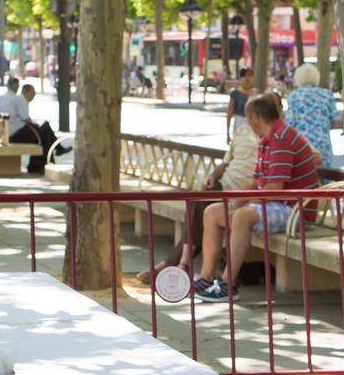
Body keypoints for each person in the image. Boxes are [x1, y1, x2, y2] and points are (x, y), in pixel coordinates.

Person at [194, 93, 320, 302]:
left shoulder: (282, 138)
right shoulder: (266, 140)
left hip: (295, 211)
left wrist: (242, 205)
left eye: (246, 117)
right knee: (212, 212)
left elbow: (274, 188)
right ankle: (206, 277)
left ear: (255, 118)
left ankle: (228, 284)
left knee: (242, 216)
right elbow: (256, 182)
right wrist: (238, 202)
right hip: (275, 204)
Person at [137, 84, 260, 284]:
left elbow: (312, 156)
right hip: (225, 185)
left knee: (200, 205)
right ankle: (180, 266)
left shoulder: (273, 137)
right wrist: (212, 176)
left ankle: (177, 266)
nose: (249, 119)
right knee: (197, 200)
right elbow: (226, 162)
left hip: (243, 193)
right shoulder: (243, 131)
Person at [284, 62, 341, 168]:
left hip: (301, 145)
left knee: (305, 178)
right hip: (323, 144)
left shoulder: (294, 96)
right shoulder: (327, 94)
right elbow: (336, 121)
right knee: (325, 178)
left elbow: (289, 123)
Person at [7, 83, 69, 172]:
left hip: (17, 132)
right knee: (46, 128)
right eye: (33, 93)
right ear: (26, 91)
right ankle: (58, 149)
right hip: (16, 135)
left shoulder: (19, 99)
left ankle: (38, 165)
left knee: (45, 135)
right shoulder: (21, 99)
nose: (34, 96)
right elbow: (26, 119)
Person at [225, 68, 253, 140]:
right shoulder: (235, 94)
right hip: (239, 125)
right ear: (241, 78)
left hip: (253, 126)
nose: (248, 78)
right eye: (245, 76)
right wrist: (228, 133)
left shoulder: (257, 94)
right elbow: (229, 114)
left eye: (250, 75)